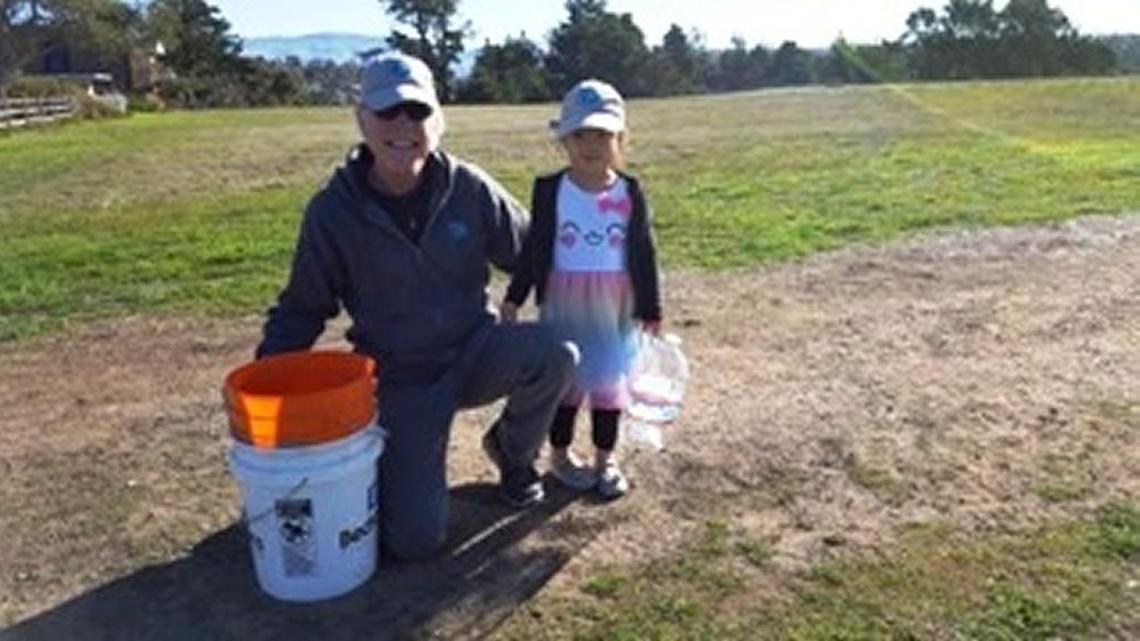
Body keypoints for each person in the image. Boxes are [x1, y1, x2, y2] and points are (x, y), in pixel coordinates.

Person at [256, 52, 576, 561]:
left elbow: (534, 256)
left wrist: (605, 291)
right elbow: (302, 307)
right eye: (387, 112)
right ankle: (394, 468)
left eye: (418, 111)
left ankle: (513, 455)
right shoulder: (332, 211)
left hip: (476, 352)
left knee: (557, 352)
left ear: (438, 120)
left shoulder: (469, 188)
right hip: (400, 379)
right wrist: (265, 385)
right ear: (361, 119)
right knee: (414, 543)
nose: (404, 125)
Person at [500, 79, 663, 500]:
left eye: (603, 135)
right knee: (566, 383)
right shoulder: (550, 190)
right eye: (580, 135)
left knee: (608, 384)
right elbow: (535, 249)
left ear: (620, 139)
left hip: (614, 305)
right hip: (564, 302)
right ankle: (560, 454)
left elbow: (643, 253)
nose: (590, 144)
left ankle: (606, 459)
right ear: (564, 140)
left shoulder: (630, 192)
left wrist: (651, 307)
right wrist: (515, 296)